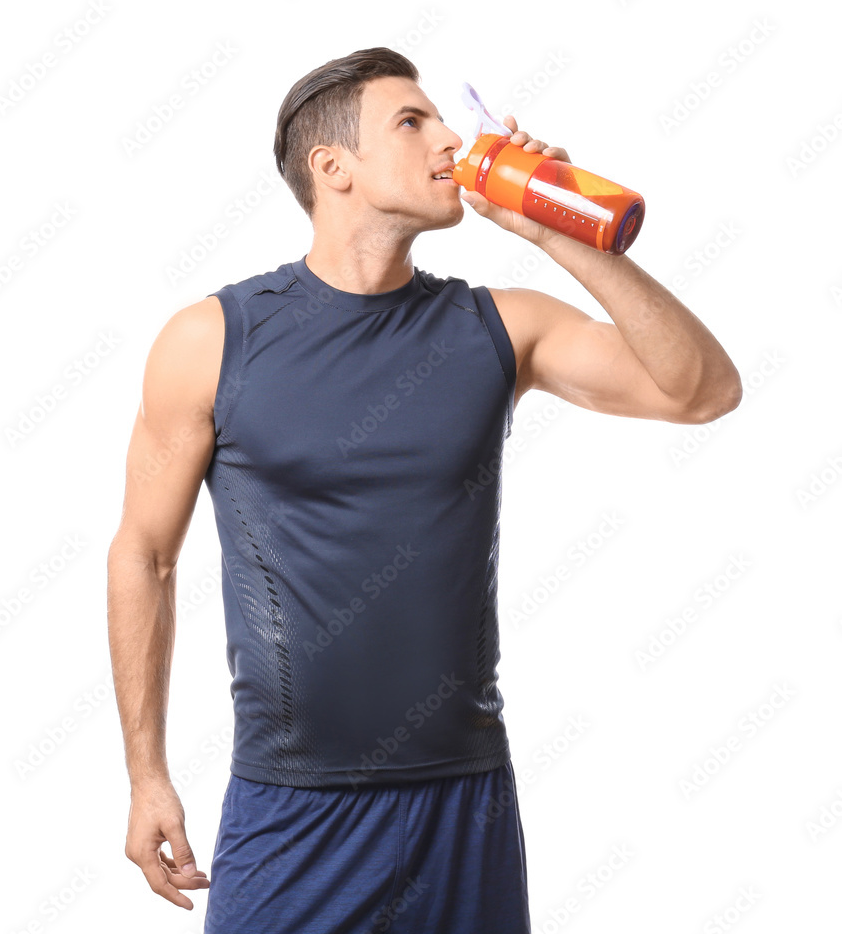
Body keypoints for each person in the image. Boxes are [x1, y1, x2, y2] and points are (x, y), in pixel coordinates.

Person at [107, 46, 742, 933]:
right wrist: (146, 776)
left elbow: (701, 391)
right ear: (333, 167)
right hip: (293, 807)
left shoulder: (498, 327)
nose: (450, 138)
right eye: (412, 121)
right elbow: (144, 557)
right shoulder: (212, 340)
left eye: (442, 117)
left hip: (464, 802)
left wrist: (554, 228)